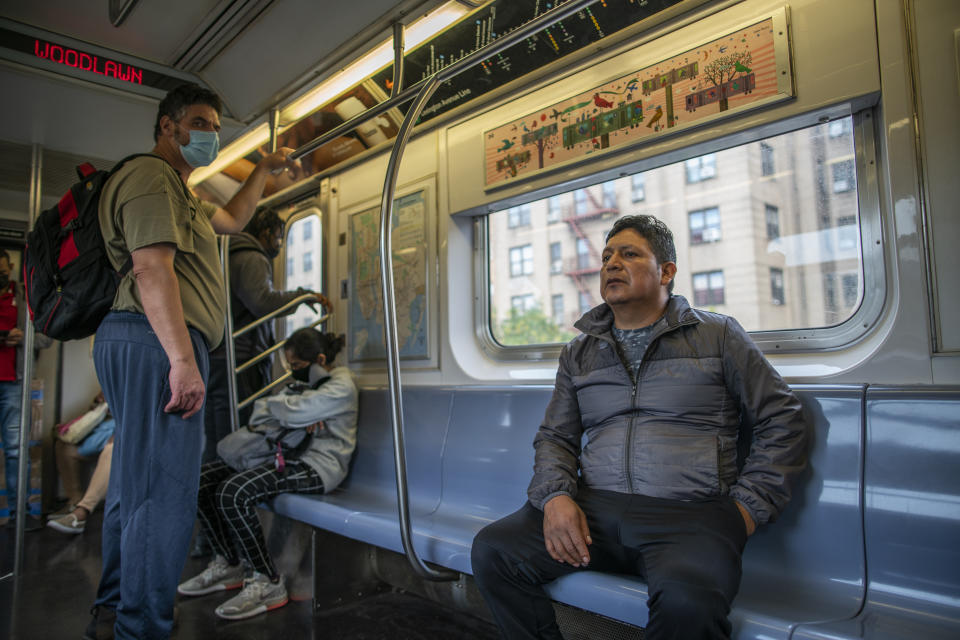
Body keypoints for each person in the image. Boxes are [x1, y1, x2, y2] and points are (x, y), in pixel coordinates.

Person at [471, 215, 809, 640]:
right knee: (494, 551)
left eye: (629, 254)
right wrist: (555, 497)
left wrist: (746, 509)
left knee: (689, 605)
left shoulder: (718, 336)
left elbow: (783, 418)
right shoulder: (578, 353)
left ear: (666, 271)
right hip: (596, 508)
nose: (612, 264)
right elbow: (556, 438)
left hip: (690, 512)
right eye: (607, 256)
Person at [84, 82, 300, 640]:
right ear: (167, 126)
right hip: (158, 342)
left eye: (215, 127)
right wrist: (183, 359)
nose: (210, 135)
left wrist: (265, 169)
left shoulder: (184, 194)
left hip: (149, 340)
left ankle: (115, 611)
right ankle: (142, 628)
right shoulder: (151, 177)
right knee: (164, 494)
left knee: (134, 488)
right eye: (200, 123)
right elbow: (152, 269)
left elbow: (230, 218)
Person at [177, 328, 357, 621]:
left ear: (320, 359)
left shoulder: (341, 385)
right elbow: (261, 411)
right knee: (201, 482)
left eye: (297, 367)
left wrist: (294, 411)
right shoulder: (306, 387)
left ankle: (267, 580)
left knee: (233, 492)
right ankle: (229, 562)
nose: (292, 374)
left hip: (319, 466)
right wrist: (295, 413)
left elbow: (293, 411)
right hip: (284, 455)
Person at [203, 207, 332, 462]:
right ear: (265, 232)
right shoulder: (251, 256)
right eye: (279, 237)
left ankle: (214, 489)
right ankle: (227, 488)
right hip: (241, 358)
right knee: (237, 432)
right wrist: (302, 296)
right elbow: (262, 301)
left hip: (219, 356)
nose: (280, 244)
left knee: (218, 431)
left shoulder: (224, 256)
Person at [0, 249, 51, 522]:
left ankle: (19, 515)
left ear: (10, 268)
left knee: (15, 450)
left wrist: (24, 337)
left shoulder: (25, 298)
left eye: (3, 271)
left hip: (13, 384)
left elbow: (47, 338)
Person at [49, 392, 116, 534]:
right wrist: (99, 401)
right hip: (104, 431)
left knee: (114, 448)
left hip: (124, 436)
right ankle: (74, 501)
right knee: (65, 447)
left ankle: (82, 511)